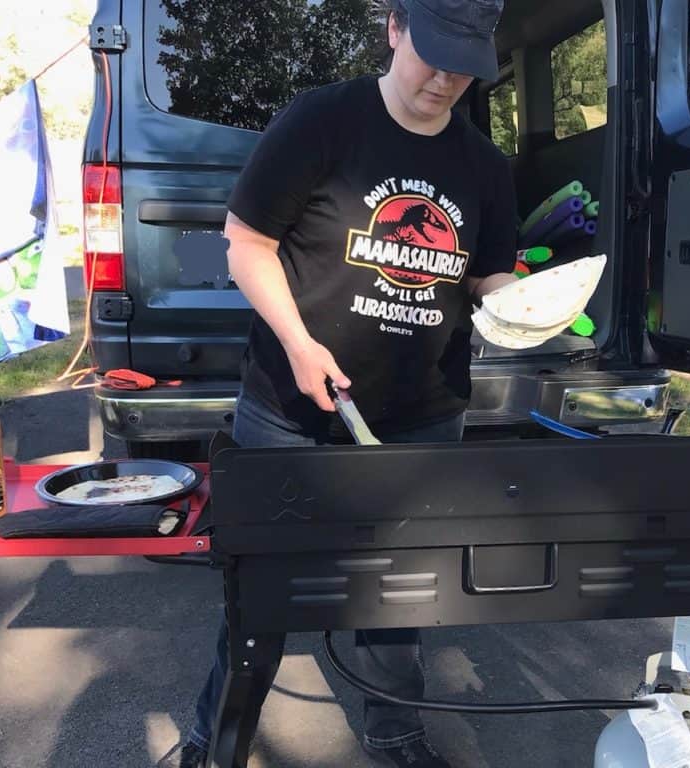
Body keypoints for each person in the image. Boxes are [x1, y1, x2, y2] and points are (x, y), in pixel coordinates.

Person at [178, 0, 517, 765]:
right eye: (433, 52)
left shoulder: (484, 165)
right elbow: (247, 244)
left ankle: (396, 734)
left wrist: (524, 308)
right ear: (394, 27)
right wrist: (299, 344)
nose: (446, 77)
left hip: (423, 414)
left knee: (401, 596)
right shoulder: (323, 120)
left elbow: (490, 274)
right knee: (260, 597)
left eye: (465, 62)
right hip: (289, 409)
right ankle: (215, 735)